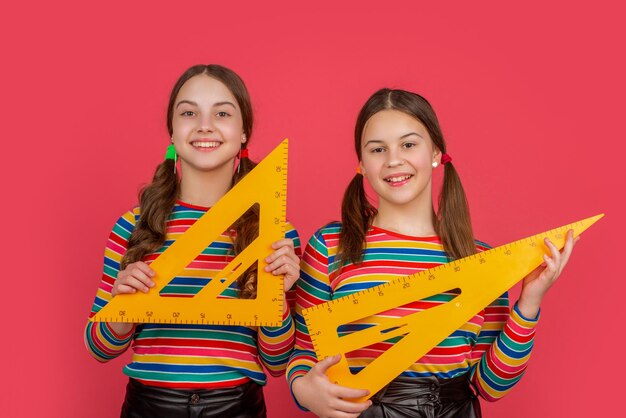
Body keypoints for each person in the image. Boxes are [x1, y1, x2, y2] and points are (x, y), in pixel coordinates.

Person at [287, 88, 577, 418]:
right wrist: (304, 391)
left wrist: (530, 302)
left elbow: (491, 385)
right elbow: (305, 351)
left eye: (408, 144)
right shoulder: (330, 246)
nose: (393, 159)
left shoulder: (478, 259)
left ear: (436, 152)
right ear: (362, 165)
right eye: (377, 149)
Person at [84, 64, 301, 418]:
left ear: (244, 132)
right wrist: (121, 308)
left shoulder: (274, 233)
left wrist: (276, 300)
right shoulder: (133, 226)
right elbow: (99, 347)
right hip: (149, 406)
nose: (205, 125)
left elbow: (277, 362)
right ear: (172, 132)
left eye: (222, 113)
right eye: (188, 112)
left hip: (237, 407)